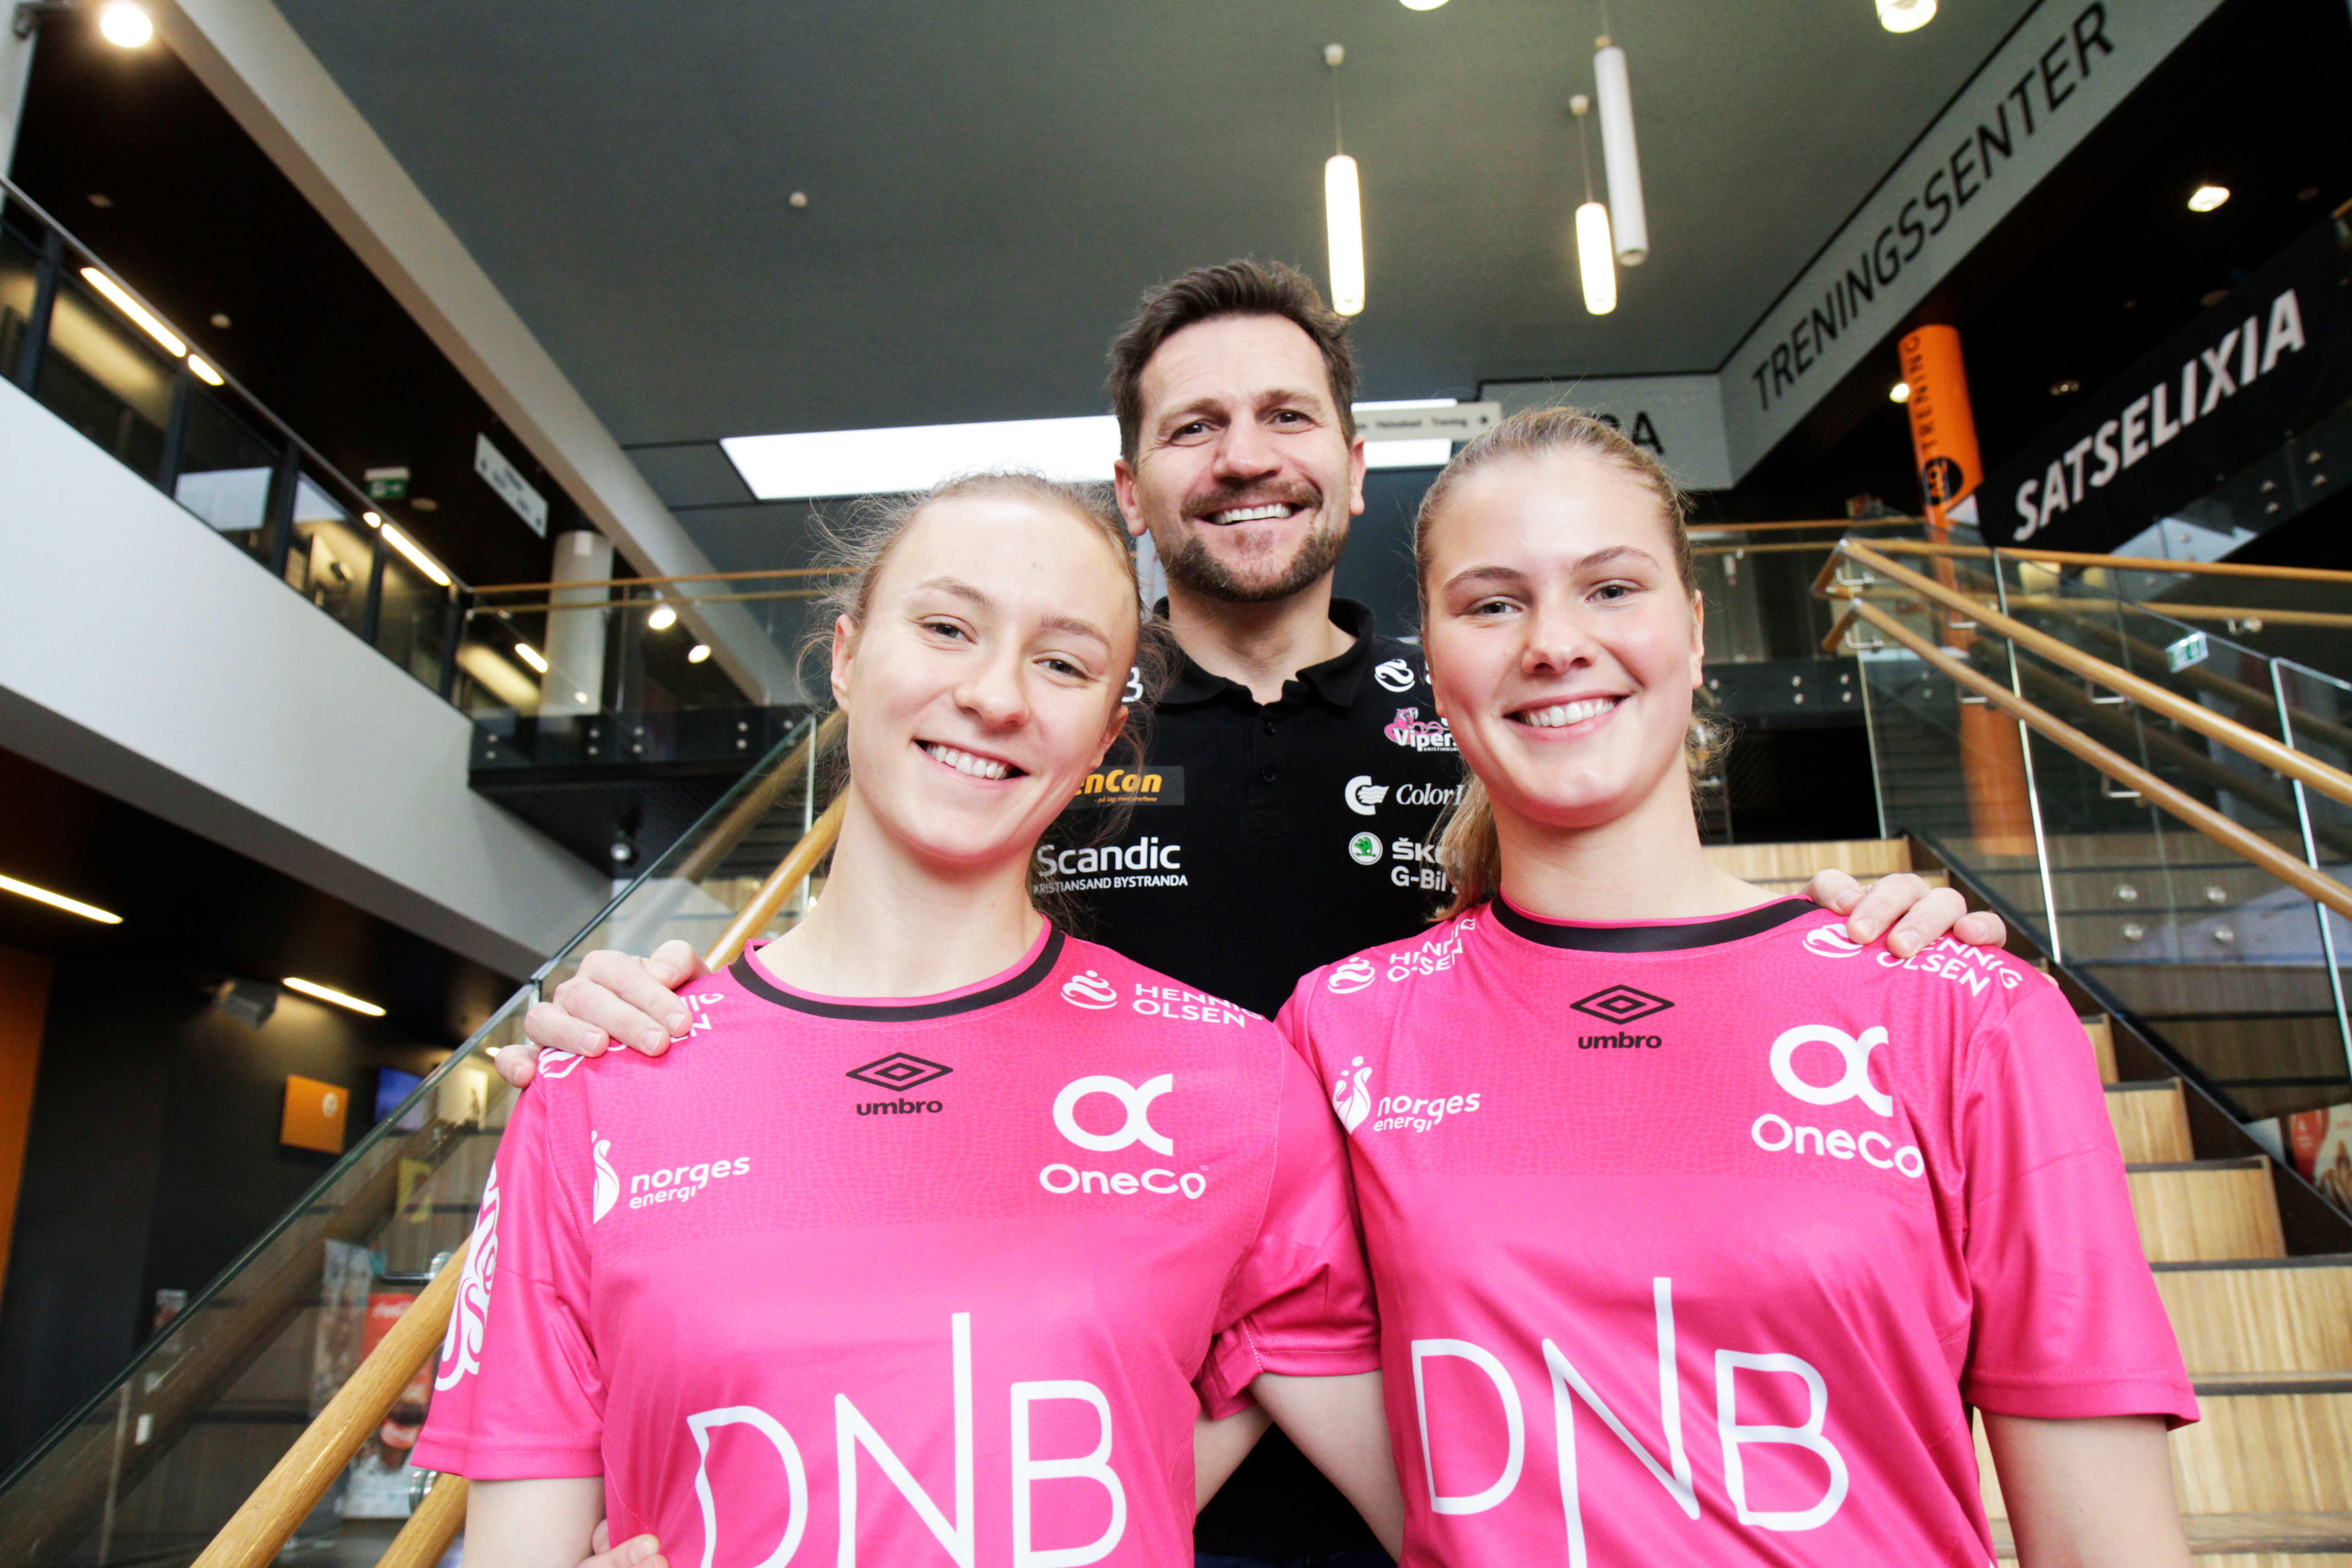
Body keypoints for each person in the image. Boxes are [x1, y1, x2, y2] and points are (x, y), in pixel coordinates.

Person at [503, 261, 2010, 1568]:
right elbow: (869, 991)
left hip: (1470, 1470)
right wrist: (659, 1032)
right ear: (1131, 488)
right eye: (1192, 427)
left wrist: (1865, 943)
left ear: (1353, 468)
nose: (1243, 458)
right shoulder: (1045, 725)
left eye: (1284, 417)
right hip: (1123, 1471)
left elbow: (1654, 954)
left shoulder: (1490, 703)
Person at [416, 473, 1406, 1568]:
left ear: (1108, 736)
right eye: (947, 628)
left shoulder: (1236, 1081)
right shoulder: (601, 1081)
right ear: (846, 656)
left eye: (1063, 663)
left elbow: (1465, 1511)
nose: (996, 696)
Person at [1276, 408, 2196, 1564]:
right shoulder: (1342, 1030)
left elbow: (2108, 1541)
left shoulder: (1964, 1009)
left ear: (1696, 629)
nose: (1554, 643)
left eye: (1612, 589)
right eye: (1493, 604)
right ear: (1435, 661)